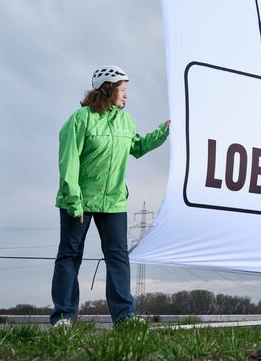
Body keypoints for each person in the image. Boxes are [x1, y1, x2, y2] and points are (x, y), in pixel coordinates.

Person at [50, 65, 170, 327]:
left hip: (114, 201)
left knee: (118, 257)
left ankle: (125, 317)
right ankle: (63, 317)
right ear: (107, 88)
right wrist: (73, 200)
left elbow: (137, 147)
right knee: (70, 255)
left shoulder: (126, 121)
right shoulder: (81, 118)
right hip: (79, 200)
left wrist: (163, 131)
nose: (126, 95)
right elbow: (68, 161)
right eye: (122, 89)